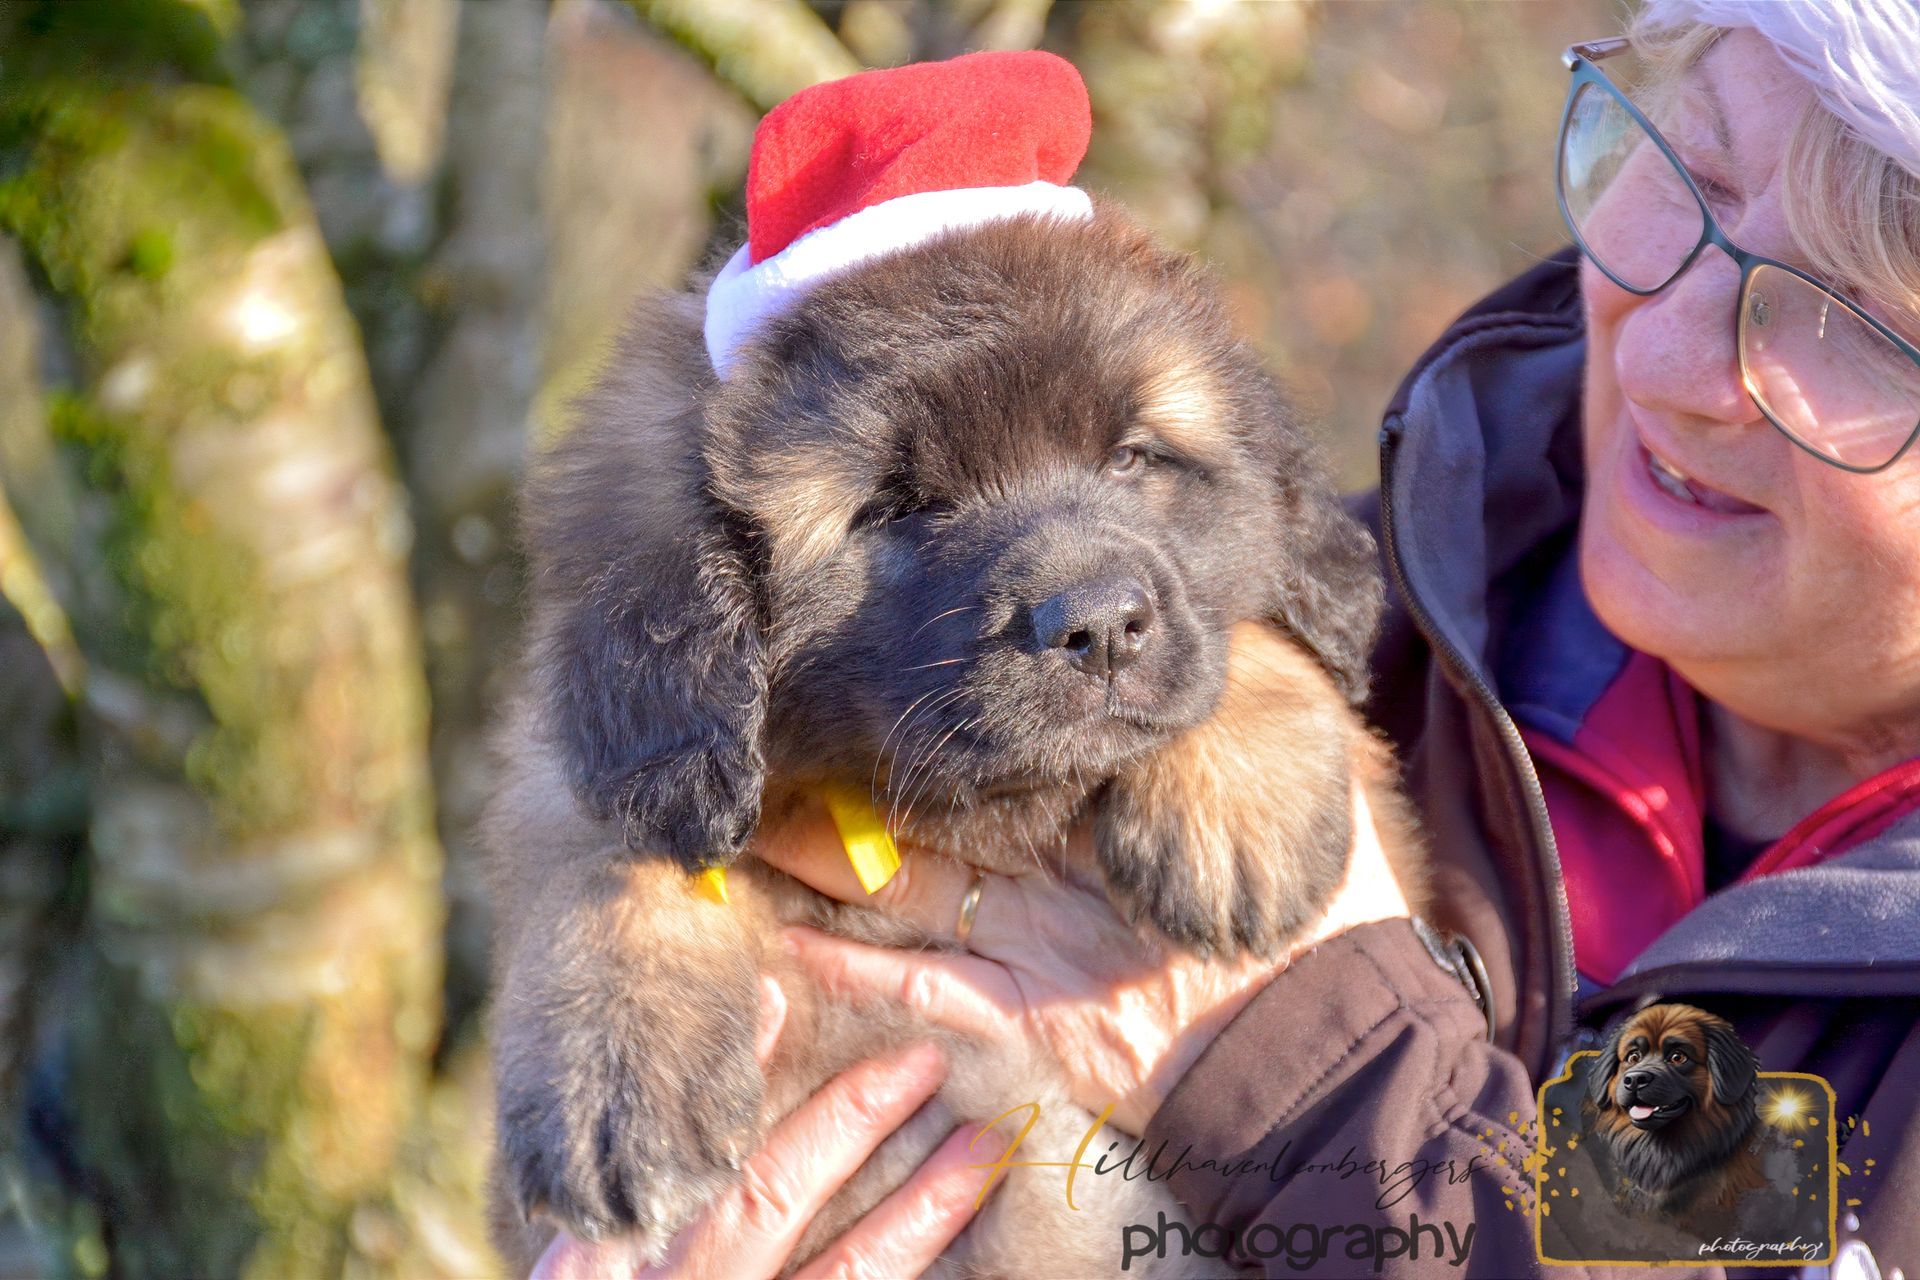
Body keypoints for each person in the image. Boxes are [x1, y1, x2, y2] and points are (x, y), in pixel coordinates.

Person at [537, 1, 1920, 1274]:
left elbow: (1749, 1241)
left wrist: (1301, 1056)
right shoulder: (1404, 587)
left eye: (1847, 319)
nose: (1672, 359)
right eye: (1695, 187)